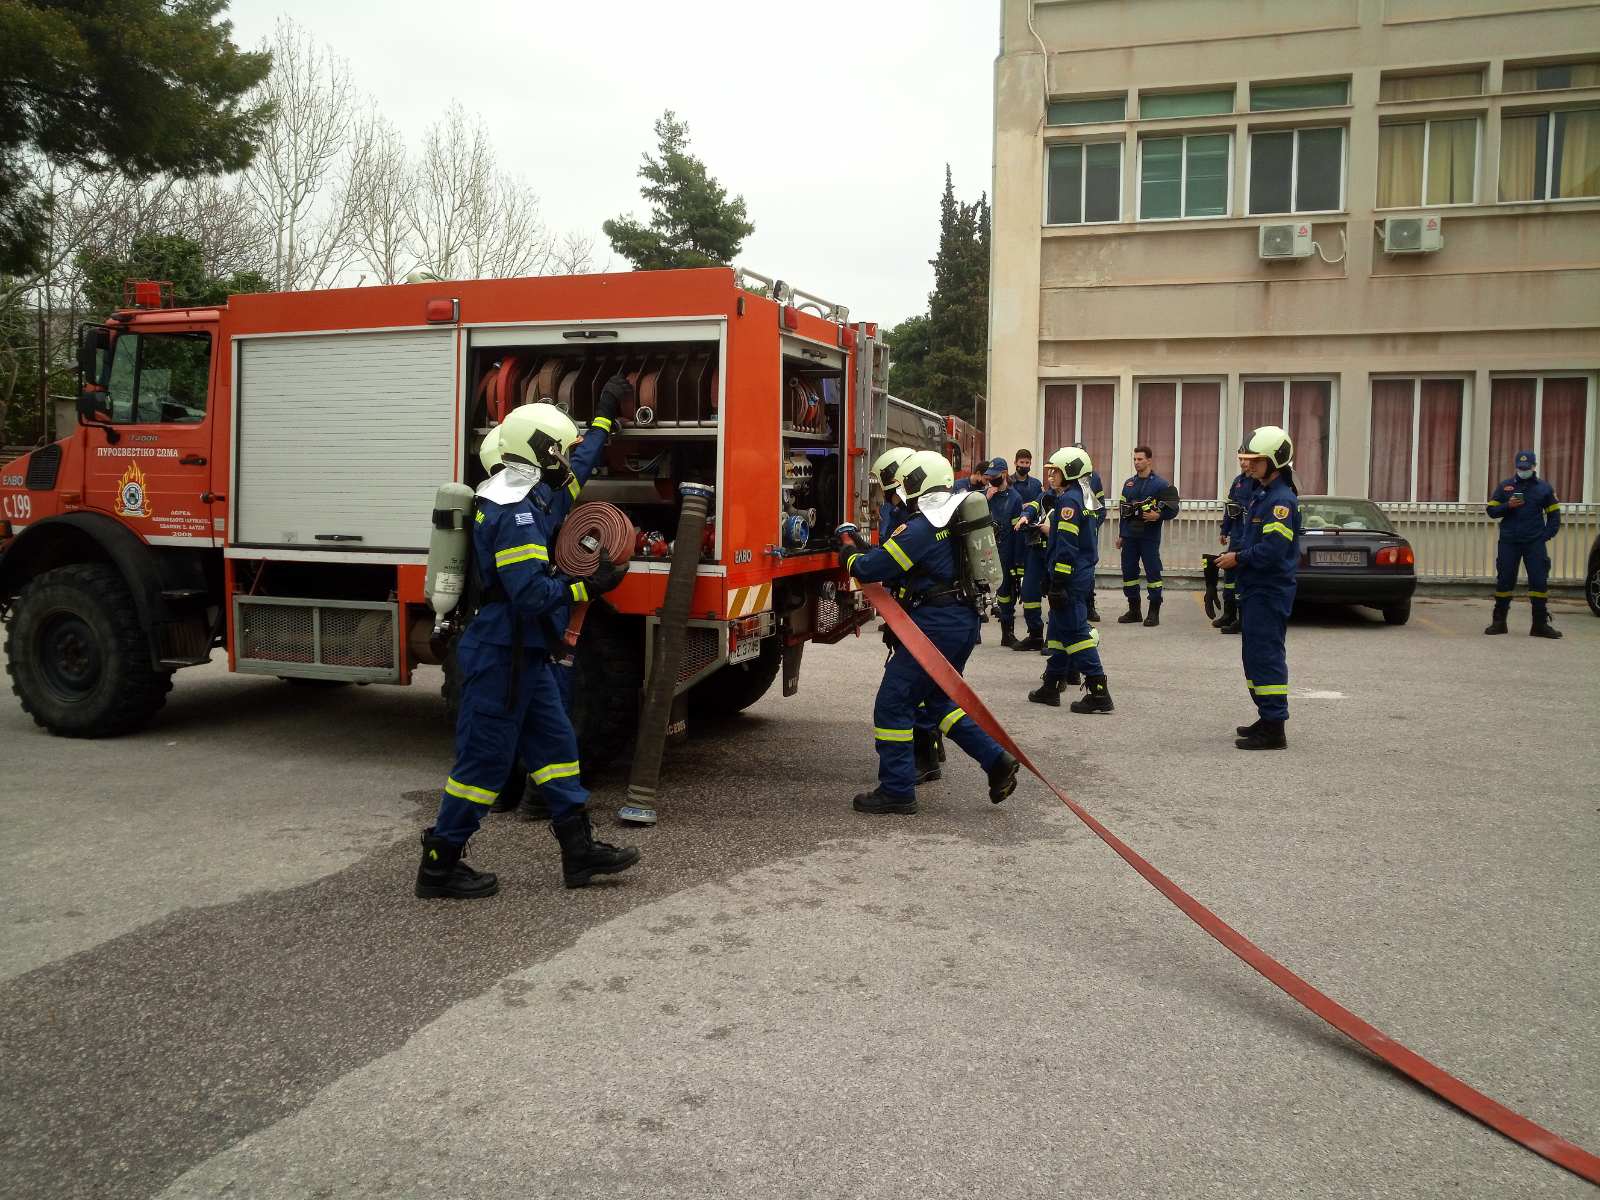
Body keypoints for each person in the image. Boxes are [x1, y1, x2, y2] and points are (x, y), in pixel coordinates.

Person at [416, 383, 640, 898]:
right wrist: (591, 584)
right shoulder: (514, 511)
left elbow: (575, 473)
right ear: (539, 451)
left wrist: (602, 421)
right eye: (557, 449)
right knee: (483, 764)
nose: (564, 458)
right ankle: (439, 864)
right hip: (501, 653)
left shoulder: (528, 490)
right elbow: (531, 595)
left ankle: (578, 852)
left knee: (557, 749)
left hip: (527, 654)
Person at [838, 449, 1020, 814]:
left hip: (936, 624)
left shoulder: (921, 527)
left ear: (918, 484)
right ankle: (996, 760)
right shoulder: (951, 517)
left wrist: (848, 553)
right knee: (937, 701)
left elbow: (876, 568)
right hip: (960, 621)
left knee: (893, 704)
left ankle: (897, 790)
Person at [1214, 426, 1298, 751]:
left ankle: (1275, 727)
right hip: (1255, 587)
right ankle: (1266, 716)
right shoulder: (1262, 493)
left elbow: (1273, 550)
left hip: (1268, 589)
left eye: (1255, 460)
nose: (1248, 465)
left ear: (1274, 461)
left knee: (1266, 656)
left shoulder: (1280, 502)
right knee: (1254, 656)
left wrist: (1238, 558)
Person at [1028, 447, 1113, 714]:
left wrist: (1059, 581)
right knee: (1058, 630)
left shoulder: (1068, 503)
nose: (1051, 475)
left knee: (1075, 632)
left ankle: (1099, 692)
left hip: (1072, 575)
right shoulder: (1084, 498)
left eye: (1055, 471)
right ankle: (1052, 685)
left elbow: (1066, 545)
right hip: (1079, 573)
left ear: (1070, 473)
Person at [1485, 450, 1563, 639]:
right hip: (1509, 542)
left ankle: (1539, 625)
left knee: (1539, 581)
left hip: (1534, 543)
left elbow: (1554, 516)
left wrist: (1544, 536)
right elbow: (1491, 510)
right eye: (1520, 468)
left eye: (1526, 468)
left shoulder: (1544, 488)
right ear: (1516, 467)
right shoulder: (1506, 487)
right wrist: (1507, 506)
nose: (1523, 471)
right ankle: (1499, 622)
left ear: (1534, 466)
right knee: (1505, 580)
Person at [1116, 446, 1180, 627]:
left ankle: (1153, 612)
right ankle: (1134, 610)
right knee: (1129, 572)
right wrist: (1121, 534)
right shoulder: (1129, 484)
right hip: (1129, 536)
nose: (1136, 462)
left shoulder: (1160, 484)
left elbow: (1174, 508)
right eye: (1135, 459)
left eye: (1140, 459)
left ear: (1149, 461)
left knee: (1152, 572)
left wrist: (1158, 515)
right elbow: (1123, 511)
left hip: (1149, 537)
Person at [1010, 450, 1051, 652]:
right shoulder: (1046, 494)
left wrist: (1051, 530)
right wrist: (1026, 515)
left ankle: (1055, 641)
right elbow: (1034, 505)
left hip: (1055, 552)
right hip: (1035, 548)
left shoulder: (1072, 499)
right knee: (1029, 592)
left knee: (1059, 597)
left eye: (1055, 473)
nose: (1051, 477)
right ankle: (1035, 634)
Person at [984, 457, 1024, 648]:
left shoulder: (1014, 498)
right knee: (978, 591)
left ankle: (1007, 632)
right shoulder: (986, 496)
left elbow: (1017, 532)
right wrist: (985, 499)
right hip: (985, 550)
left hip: (1006, 551)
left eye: (994, 476)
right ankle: (974, 633)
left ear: (1004, 474)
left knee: (1006, 593)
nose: (991, 480)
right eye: (989, 477)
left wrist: (1018, 561)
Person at [1214, 468, 1256, 635]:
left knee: (1242, 578)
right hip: (1237, 535)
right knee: (1229, 577)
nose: (1243, 462)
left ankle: (1242, 618)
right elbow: (1229, 507)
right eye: (1240, 459)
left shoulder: (1257, 482)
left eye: (1246, 459)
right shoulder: (1238, 481)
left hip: (1249, 536)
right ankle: (1228, 613)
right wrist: (1225, 530)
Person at [1075, 443, 1108, 623]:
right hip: (1070, 530)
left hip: (1088, 533)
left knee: (1089, 570)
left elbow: (1100, 506)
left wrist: (1093, 525)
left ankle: (1090, 606)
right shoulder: (1067, 477)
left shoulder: (1093, 478)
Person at [872, 446, 913, 543]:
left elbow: (887, 555)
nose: (880, 490)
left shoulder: (906, 520)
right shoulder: (901, 512)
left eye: (880, 484)